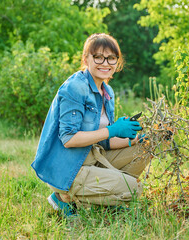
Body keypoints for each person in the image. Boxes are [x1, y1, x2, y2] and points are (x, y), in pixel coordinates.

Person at [31, 33, 150, 217]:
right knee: (133, 189)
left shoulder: (107, 91)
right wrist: (112, 130)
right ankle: (64, 199)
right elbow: (69, 139)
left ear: (117, 62)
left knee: (147, 147)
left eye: (111, 58)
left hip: (92, 158)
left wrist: (132, 140)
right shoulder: (75, 88)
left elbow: (103, 141)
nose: (105, 63)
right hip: (69, 169)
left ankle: (107, 196)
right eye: (98, 57)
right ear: (86, 59)